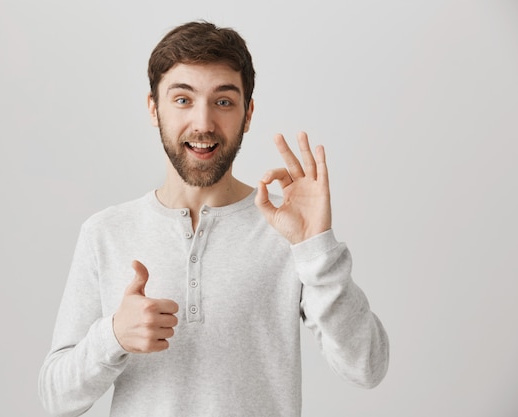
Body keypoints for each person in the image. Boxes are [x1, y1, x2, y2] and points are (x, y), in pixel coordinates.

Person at [39, 20, 389, 417]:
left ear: (248, 112)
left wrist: (316, 247)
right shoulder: (105, 233)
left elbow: (367, 367)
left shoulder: (286, 230)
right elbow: (56, 398)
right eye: (183, 100)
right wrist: (113, 336)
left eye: (223, 101)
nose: (203, 123)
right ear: (154, 108)